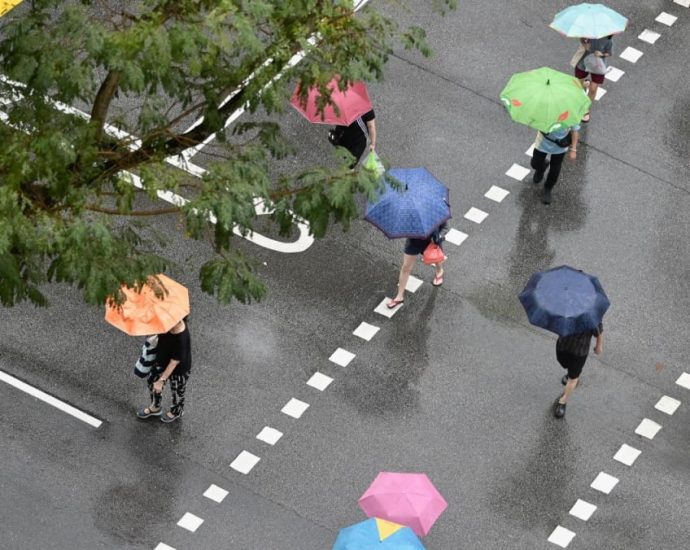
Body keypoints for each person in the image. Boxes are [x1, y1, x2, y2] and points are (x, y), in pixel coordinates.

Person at [136, 316, 192, 423]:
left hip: (179, 369)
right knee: (152, 382)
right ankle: (155, 407)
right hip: (161, 361)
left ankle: (176, 411)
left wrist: (161, 381)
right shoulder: (166, 324)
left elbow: (174, 362)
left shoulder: (181, 338)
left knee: (177, 391)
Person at [387, 223, 447, 309]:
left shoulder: (436, 211)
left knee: (436, 258)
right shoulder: (410, 212)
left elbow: (445, 227)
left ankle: (439, 271)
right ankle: (399, 296)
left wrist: (439, 237)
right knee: (406, 267)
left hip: (431, 242)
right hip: (413, 242)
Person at [553, 323, 604, 418]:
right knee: (563, 363)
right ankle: (571, 373)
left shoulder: (591, 315)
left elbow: (598, 332)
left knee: (573, 378)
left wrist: (598, 346)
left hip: (580, 352)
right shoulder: (566, 309)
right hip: (562, 345)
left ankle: (563, 401)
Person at [530, 123, 580, 205]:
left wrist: (573, 150)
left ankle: (547, 189)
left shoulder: (571, 113)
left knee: (555, 170)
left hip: (560, 147)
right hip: (542, 142)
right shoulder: (546, 110)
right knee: (535, 163)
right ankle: (542, 167)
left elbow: (574, 132)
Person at [575, 35, 613, 122]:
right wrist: (584, 43)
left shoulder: (608, 40)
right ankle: (581, 97)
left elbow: (609, 53)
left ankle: (585, 108)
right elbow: (581, 39)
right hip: (584, 61)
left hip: (598, 64)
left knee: (593, 89)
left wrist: (602, 54)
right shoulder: (587, 34)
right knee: (578, 85)